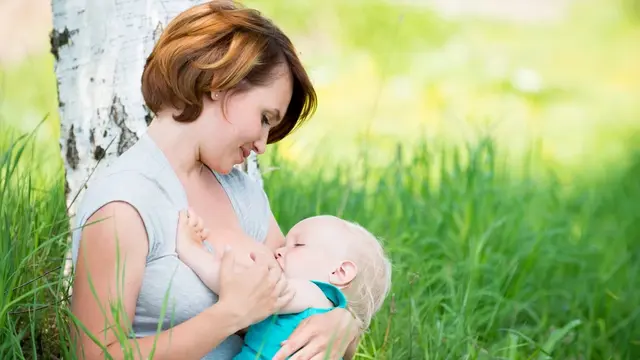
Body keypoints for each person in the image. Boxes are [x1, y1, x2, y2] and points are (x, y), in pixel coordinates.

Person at [68, 1, 360, 359]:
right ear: (220, 82)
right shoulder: (125, 204)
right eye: (265, 118)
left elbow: (297, 295)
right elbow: (94, 354)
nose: (262, 145)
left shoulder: (242, 193)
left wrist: (345, 323)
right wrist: (229, 316)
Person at [175, 210, 392, 360]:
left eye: (297, 244)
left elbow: (239, 287)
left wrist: (192, 251)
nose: (279, 250)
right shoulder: (312, 306)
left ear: (339, 272)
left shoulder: (314, 294)